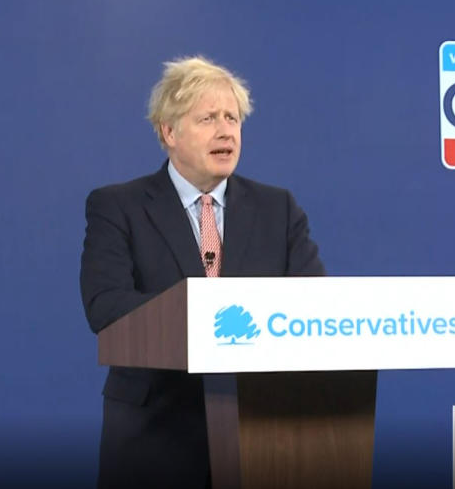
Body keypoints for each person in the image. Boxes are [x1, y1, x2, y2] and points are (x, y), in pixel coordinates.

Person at [79, 56, 325, 488]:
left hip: (262, 434)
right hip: (155, 435)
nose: (225, 130)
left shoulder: (278, 209)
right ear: (168, 132)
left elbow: (315, 306)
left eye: (232, 118)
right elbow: (107, 307)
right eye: (207, 118)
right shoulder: (119, 207)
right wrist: (211, 318)